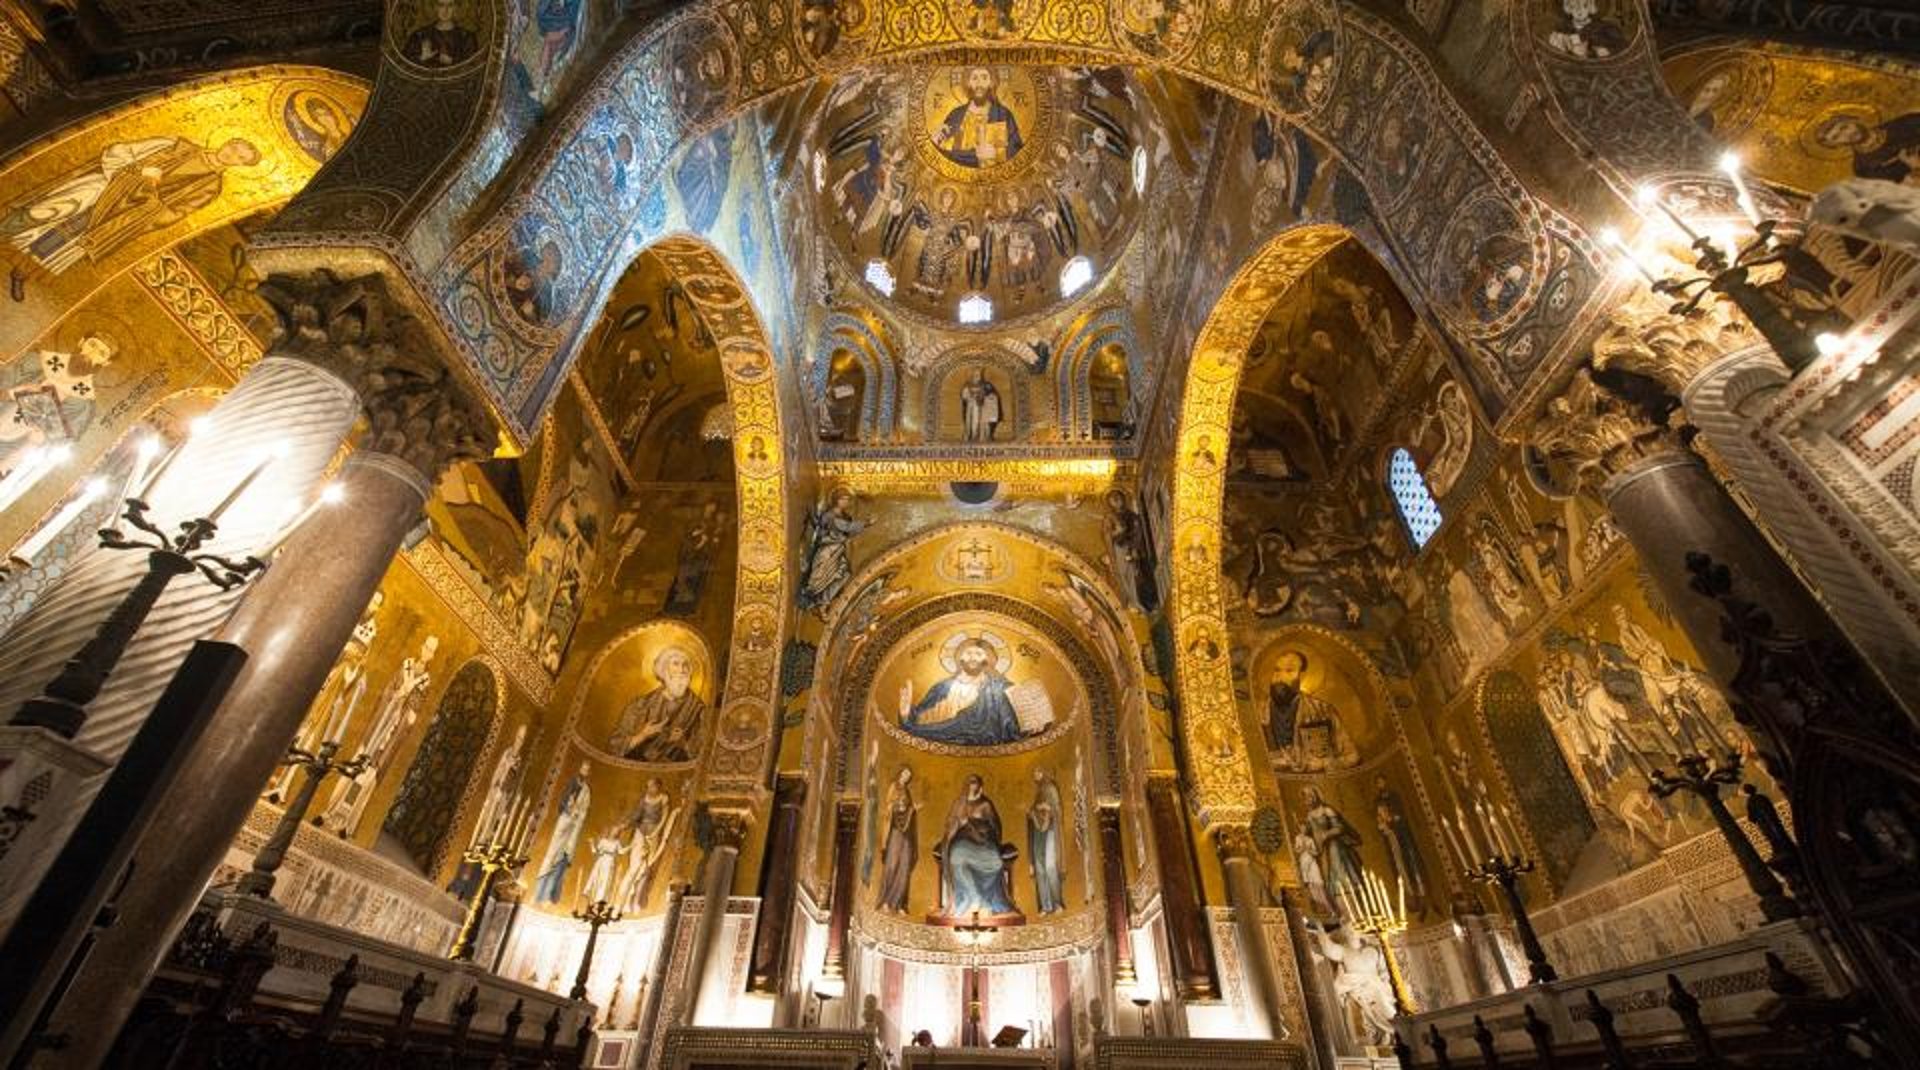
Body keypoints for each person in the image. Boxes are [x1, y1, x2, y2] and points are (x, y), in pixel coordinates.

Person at [2, 136, 259, 273]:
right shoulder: (177, 145)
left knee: (71, 242)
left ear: (241, 165)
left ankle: (21, 271)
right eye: (234, 146)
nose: (232, 153)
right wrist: (138, 170)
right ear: (227, 141)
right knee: (53, 209)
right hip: (109, 185)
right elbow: (121, 150)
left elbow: (173, 215)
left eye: (240, 156)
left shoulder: (210, 187)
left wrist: (149, 199)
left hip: (128, 213)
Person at [901, 637, 1024, 746]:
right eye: (968, 653)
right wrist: (906, 714)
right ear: (959, 658)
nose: (973, 657)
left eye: (979, 654)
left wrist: (1027, 724)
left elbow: (1012, 723)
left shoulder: (998, 689)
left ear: (987, 660)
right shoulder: (942, 688)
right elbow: (920, 719)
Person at [608, 646, 707, 762]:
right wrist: (642, 735)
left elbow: (704, 755)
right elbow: (614, 747)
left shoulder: (697, 708)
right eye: (675, 664)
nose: (681, 670)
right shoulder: (641, 705)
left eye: (685, 665)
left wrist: (683, 743)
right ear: (664, 670)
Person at [1264, 650, 1357, 771]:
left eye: (1289, 671)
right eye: (1277, 670)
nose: (1280, 677)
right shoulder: (1258, 712)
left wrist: (1327, 764)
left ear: (1302, 676)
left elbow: (1351, 755)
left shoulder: (1322, 710)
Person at [941, 775, 1016, 917]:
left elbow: (995, 826)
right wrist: (959, 824)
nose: (972, 786)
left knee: (997, 862)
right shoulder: (959, 803)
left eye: (975, 783)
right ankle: (971, 897)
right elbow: (950, 824)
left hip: (984, 842)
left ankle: (987, 899)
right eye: (970, 783)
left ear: (980, 787)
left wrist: (976, 826)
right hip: (962, 841)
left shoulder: (985, 804)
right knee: (956, 857)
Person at [934, 67, 1023, 169]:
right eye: (974, 78)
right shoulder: (956, 115)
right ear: (968, 82)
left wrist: (997, 154)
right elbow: (944, 153)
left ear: (991, 82)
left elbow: (1017, 150)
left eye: (984, 78)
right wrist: (935, 143)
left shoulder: (1003, 115)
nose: (979, 84)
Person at [797, 487, 867, 615]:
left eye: (847, 500)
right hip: (828, 550)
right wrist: (866, 523)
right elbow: (844, 527)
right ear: (836, 500)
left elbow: (847, 531)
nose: (846, 502)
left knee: (844, 574)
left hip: (839, 551)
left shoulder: (846, 516)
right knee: (821, 577)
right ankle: (814, 599)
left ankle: (824, 601)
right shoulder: (829, 515)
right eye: (843, 499)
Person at [534, 763, 593, 904]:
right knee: (552, 852)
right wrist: (569, 808)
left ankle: (552, 895)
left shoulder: (586, 790)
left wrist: (577, 814)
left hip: (574, 825)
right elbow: (564, 799)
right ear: (580, 769)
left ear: (588, 773)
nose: (584, 772)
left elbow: (585, 809)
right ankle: (540, 893)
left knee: (564, 858)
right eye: (583, 768)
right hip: (565, 820)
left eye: (587, 770)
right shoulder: (572, 782)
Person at [616, 778, 677, 912]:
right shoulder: (645, 798)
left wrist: (656, 832)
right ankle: (623, 899)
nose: (649, 789)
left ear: (658, 786)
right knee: (634, 865)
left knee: (647, 866)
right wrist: (626, 825)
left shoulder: (663, 798)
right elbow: (637, 815)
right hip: (640, 831)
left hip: (653, 833)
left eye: (652, 786)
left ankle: (636, 899)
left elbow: (664, 817)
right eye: (648, 786)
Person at [875, 767, 919, 912]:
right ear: (900, 773)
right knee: (892, 865)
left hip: (906, 834)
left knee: (904, 867)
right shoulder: (894, 787)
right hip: (894, 831)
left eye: (909, 775)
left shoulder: (907, 791)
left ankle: (898, 903)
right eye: (905, 773)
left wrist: (912, 809)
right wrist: (899, 806)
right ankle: (886, 901)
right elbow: (889, 807)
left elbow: (908, 809)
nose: (907, 776)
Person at [1027, 769, 1065, 914]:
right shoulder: (1038, 791)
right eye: (1034, 773)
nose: (1035, 775)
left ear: (1044, 772)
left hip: (1050, 829)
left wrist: (1047, 807)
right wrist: (1033, 811)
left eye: (1038, 771)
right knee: (1040, 868)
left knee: (1050, 866)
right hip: (1037, 831)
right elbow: (1033, 810)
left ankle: (1057, 903)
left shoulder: (1050, 788)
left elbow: (1058, 809)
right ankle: (1045, 905)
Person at [401, 0, 478, 67]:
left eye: (450, 5)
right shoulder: (420, 35)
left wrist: (452, 61)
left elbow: (473, 64)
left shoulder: (466, 37)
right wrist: (422, 58)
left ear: (455, 8)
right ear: (435, 7)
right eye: (441, 5)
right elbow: (403, 62)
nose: (446, 10)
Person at [960, 368, 1002, 442]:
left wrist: (987, 397)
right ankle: (972, 436)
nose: (977, 376)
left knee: (983, 421)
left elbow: (992, 393)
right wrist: (969, 396)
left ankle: (984, 436)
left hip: (983, 406)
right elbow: (964, 395)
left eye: (978, 374)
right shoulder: (968, 384)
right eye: (975, 374)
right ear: (972, 375)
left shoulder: (986, 384)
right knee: (972, 421)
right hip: (971, 405)